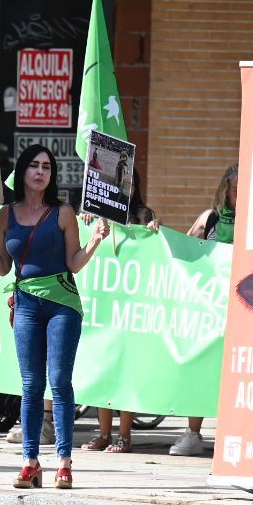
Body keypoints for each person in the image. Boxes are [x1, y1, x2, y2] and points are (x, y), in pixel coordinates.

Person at [0, 144, 109, 489]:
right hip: (26, 302)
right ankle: (30, 462)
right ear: (23, 172)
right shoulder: (6, 215)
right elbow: (2, 267)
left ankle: (64, 463)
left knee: (59, 383)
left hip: (62, 304)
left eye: (47, 167)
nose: (41, 172)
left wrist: (96, 241)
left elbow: (73, 262)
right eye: (35, 166)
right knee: (30, 385)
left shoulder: (63, 212)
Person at [85, 169, 159, 454]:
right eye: (118, 183)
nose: (124, 187)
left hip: (130, 301)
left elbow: (154, 248)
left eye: (129, 182)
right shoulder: (97, 214)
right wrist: (87, 222)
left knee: (125, 369)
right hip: (103, 300)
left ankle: (124, 435)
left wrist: (154, 230)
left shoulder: (143, 214)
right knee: (103, 366)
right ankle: (103, 433)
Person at [171, 163, 237, 457]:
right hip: (209, 307)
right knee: (201, 366)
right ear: (225, 190)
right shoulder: (210, 219)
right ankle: (193, 433)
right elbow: (182, 252)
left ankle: (232, 434)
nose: (241, 193)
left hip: (241, 308)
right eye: (236, 188)